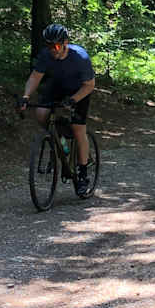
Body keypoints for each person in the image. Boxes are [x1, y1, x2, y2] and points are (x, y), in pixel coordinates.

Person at [20, 24, 96, 196]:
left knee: (78, 129)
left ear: (65, 43)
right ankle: (59, 140)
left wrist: (73, 100)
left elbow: (90, 85)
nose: (52, 49)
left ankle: (82, 173)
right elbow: (35, 77)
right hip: (57, 87)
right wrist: (25, 96)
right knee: (41, 113)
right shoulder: (46, 55)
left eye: (55, 46)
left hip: (79, 90)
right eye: (48, 45)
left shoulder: (80, 57)